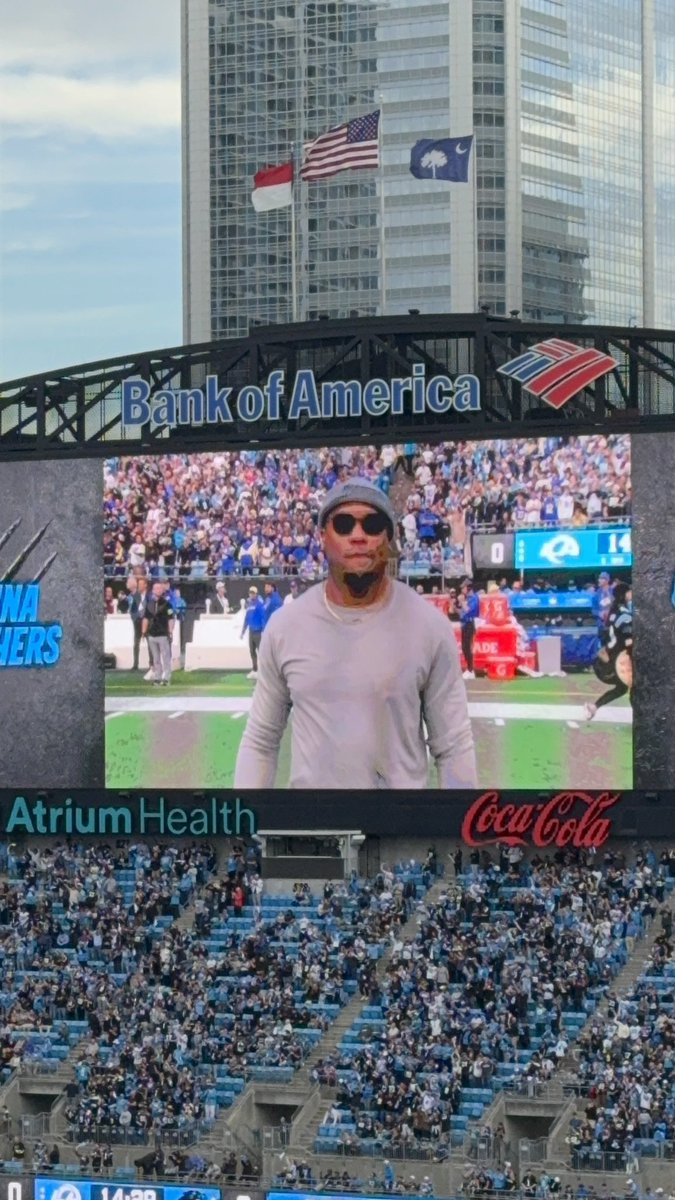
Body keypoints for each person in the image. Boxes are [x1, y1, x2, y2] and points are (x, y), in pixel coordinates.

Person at [234, 479, 477, 789]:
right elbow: (260, 741)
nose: (358, 535)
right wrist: (246, 817)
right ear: (323, 537)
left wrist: (457, 821)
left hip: (399, 819)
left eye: (372, 525)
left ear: (389, 538)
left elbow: (453, 746)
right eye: (344, 524)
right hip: (313, 819)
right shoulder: (285, 627)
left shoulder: (430, 627)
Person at [585, 582, 633, 720]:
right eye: (629, 591)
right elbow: (628, 641)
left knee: (622, 688)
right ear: (624, 594)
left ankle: (594, 707)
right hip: (618, 659)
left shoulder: (613, 613)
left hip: (610, 656)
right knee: (635, 687)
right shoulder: (624, 615)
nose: (631, 594)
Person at [142, 580, 175, 687]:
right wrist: (143, 631)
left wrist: (170, 631)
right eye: (156, 588)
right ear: (152, 590)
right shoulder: (149, 604)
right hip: (152, 634)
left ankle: (166, 678)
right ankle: (157, 677)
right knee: (155, 658)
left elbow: (171, 618)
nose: (158, 590)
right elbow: (146, 618)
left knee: (166, 657)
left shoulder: (167, 604)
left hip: (163, 633)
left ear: (162, 590)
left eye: (160, 588)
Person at [241, 586, 266, 679]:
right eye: (250, 593)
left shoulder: (259, 605)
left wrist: (263, 630)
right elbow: (246, 619)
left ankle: (264, 672)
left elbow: (263, 618)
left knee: (261, 652)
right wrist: (243, 631)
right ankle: (255, 669)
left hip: (258, 631)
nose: (251, 594)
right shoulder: (249, 605)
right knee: (252, 651)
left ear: (256, 594)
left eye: (253, 593)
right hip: (251, 632)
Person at [458, 579, 479, 680]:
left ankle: (471, 670)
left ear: (468, 587)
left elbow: (468, 610)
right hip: (464, 624)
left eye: (463, 588)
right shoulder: (468, 598)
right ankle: (469, 669)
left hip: (470, 624)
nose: (462, 590)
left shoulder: (474, 598)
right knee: (464, 647)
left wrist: (462, 602)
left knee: (467, 647)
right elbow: (462, 612)